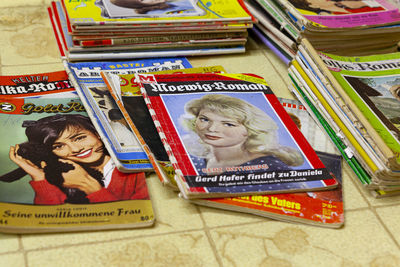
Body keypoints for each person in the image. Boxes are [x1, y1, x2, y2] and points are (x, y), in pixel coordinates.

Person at [8, 114, 149, 205]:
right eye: (58, 146)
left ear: (97, 134)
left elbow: (127, 218)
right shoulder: (64, 174)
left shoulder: (132, 170)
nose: (75, 149)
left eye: (79, 138)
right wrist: (39, 178)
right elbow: (51, 217)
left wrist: (88, 185)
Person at [181, 94, 304, 175]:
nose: (212, 129)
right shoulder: (194, 158)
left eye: (228, 124)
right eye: (205, 119)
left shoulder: (271, 168)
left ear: (249, 130)